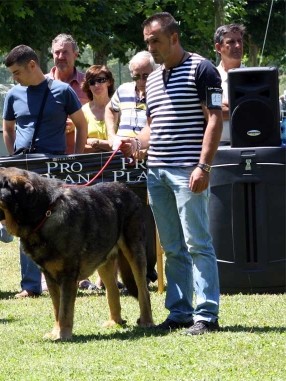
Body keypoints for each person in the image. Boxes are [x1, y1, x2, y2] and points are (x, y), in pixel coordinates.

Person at [122, 12, 223, 335]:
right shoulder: (151, 78)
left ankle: (207, 315)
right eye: (147, 42)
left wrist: (203, 166)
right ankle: (179, 313)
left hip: (187, 171)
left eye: (156, 41)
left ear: (174, 38)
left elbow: (215, 119)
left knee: (197, 243)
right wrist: (137, 143)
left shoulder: (202, 69)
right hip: (157, 173)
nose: (151, 47)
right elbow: (153, 125)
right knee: (171, 246)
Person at [2, 44, 88, 298]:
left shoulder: (62, 91)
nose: (15, 78)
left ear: (32, 65)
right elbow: (8, 128)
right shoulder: (13, 94)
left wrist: (76, 159)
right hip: (23, 169)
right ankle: (30, 285)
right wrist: (12, 160)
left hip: (54, 169)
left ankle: (62, 277)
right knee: (24, 223)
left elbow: (81, 125)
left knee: (58, 223)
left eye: (17, 72)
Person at [104, 51, 158, 285]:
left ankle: (146, 272)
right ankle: (128, 274)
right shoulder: (124, 90)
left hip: (150, 161)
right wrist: (111, 135)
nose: (141, 81)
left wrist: (144, 149)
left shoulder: (160, 92)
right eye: (137, 76)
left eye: (145, 75)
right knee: (123, 218)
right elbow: (109, 109)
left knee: (148, 217)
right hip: (123, 165)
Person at [47, 33, 90, 154]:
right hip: (48, 157)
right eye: (57, 52)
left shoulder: (89, 84)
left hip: (82, 158)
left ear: (75, 55)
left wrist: (77, 125)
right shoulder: (42, 85)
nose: (60, 56)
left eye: (65, 52)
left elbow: (101, 115)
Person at [214, 23, 246, 144]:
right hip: (219, 148)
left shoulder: (255, 77)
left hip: (249, 145)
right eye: (231, 42)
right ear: (218, 48)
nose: (238, 45)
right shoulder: (209, 77)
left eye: (240, 41)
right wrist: (243, 105)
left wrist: (226, 105)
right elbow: (209, 113)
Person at [80, 65, 115, 153]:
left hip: (119, 163)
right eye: (91, 82)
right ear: (88, 85)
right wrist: (109, 145)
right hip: (92, 164)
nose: (96, 85)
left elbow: (123, 144)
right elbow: (80, 147)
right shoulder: (83, 111)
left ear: (109, 82)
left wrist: (96, 143)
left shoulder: (120, 108)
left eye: (101, 80)